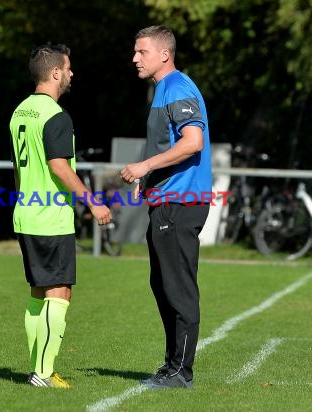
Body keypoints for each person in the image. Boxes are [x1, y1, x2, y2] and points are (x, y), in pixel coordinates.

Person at [9, 43, 112, 389]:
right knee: (59, 292)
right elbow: (58, 166)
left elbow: (19, 167)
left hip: (26, 213)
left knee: (39, 292)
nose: (71, 73)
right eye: (68, 68)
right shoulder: (56, 115)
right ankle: (43, 372)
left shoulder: (20, 112)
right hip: (50, 217)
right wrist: (93, 202)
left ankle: (38, 367)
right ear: (55, 73)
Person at [121, 25, 212, 389]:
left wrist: (145, 166)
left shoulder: (178, 87)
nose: (135, 58)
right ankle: (172, 365)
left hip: (180, 202)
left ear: (163, 54)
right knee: (162, 285)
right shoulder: (163, 90)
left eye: (141, 51)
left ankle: (181, 371)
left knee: (178, 288)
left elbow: (193, 142)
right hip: (165, 201)